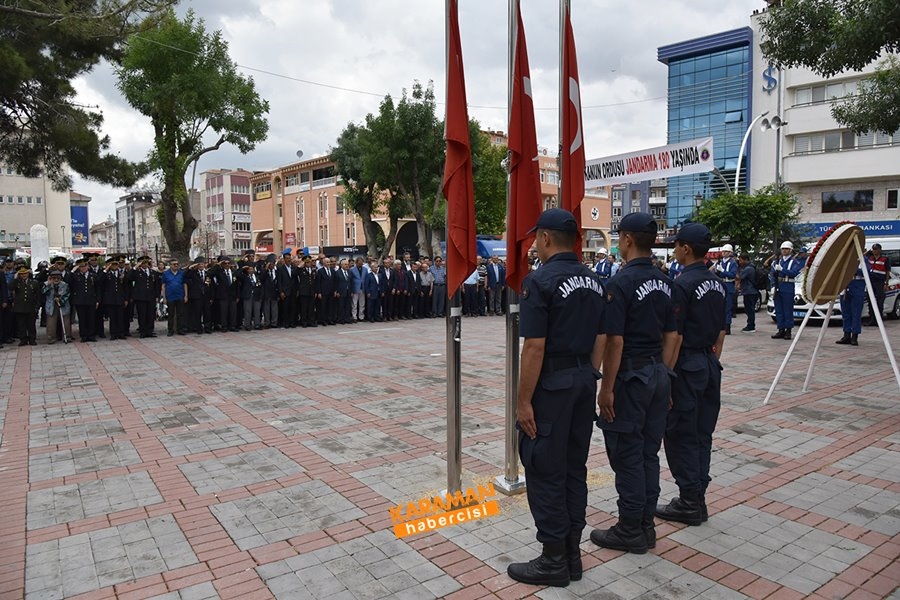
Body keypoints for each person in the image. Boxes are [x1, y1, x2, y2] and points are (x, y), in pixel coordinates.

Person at [506, 208, 605, 588]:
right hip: (583, 380)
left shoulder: (540, 281)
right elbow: (601, 336)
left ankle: (553, 560)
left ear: (546, 239)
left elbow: (534, 346)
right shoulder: (595, 280)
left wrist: (523, 402)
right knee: (573, 467)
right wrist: (588, 373)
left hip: (553, 386)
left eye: (535, 238)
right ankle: (572, 553)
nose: (532, 244)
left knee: (545, 468)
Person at [591, 211, 678, 555]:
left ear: (627, 240)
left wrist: (606, 387)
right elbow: (673, 336)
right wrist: (666, 375)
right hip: (657, 373)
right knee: (647, 454)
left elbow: (615, 341)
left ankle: (630, 528)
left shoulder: (620, 284)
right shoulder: (666, 282)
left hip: (631, 378)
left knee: (627, 455)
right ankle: (644, 524)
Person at [656, 223, 726, 527]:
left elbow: (676, 336)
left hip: (686, 366)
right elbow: (721, 333)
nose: (674, 250)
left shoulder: (682, 285)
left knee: (681, 433)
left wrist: (667, 377)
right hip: (709, 363)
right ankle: (697, 497)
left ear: (686, 248)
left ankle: (689, 500)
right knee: (701, 434)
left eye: (677, 245)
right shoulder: (717, 283)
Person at [771, 241, 803, 340]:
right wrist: (772, 285)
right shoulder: (776, 261)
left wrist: (782, 270)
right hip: (778, 286)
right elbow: (772, 274)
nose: (784, 251)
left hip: (788, 286)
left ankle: (788, 330)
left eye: (786, 249)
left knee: (787, 310)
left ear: (790, 250)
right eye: (783, 249)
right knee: (779, 309)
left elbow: (794, 273)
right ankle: (781, 329)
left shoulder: (794, 262)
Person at [836, 258, 867, 346]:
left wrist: (854, 269)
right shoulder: (845, 258)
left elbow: (868, 271)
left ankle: (854, 336)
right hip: (845, 285)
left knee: (856, 313)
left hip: (857, 285)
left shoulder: (862, 259)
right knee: (846, 313)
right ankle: (846, 334)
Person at [100, 258, 129, 340]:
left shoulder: (121, 274)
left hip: (120, 298)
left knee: (120, 317)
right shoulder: (107, 274)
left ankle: (121, 333)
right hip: (110, 299)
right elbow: (100, 280)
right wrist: (105, 270)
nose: (114, 266)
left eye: (116, 264)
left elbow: (125, 287)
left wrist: (126, 299)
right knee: (112, 318)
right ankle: (113, 333)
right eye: (113, 265)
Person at [11, 266, 41, 345]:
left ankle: (32, 339)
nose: (24, 275)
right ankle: (23, 339)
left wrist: (37, 306)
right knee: (21, 325)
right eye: (22, 274)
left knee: (31, 325)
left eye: (25, 273)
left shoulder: (34, 282)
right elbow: (10, 287)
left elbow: (38, 295)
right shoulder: (17, 282)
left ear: (28, 273)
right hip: (19, 308)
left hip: (31, 307)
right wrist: (15, 278)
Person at [42, 269, 71, 344]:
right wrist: (49, 285)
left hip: (63, 305)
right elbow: (43, 292)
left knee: (66, 322)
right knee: (51, 323)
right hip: (51, 306)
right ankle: (51, 338)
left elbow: (67, 294)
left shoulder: (65, 285)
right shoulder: (47, 284)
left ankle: (67, 337)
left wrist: (60, 300)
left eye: (58, 278)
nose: (56, 279)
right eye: (54, 278)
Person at [714, 244, 737, 335]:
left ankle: (727, 326)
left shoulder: (733, 263)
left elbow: (732, 275)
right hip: (721, 284)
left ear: (730, 253)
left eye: (726, 252)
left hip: (728, 284)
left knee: (727, 307)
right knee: (720, 307)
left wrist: (723, 271)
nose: (724, 253)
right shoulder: (720, 262)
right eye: (723, 251)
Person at [161, 259, 187, 336]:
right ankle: (170, 330)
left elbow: (185, 284)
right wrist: (164, 297)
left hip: (180, 295)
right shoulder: (166, 274)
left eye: (177, 264)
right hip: (170, 296)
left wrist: (186, 295)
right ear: (170, 265)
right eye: (174, 264)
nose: (176, 265)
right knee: (171, 314)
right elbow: (163, 286)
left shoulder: (182, 273)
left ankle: (180, 329)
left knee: (180, 314)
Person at [866, 243, 890, 325]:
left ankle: (879, 320)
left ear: (880, 250)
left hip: (879, 282)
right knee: (870, 301)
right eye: (873, 249)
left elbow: (887, 272)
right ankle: (872, 319)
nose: (874, 251)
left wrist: (886, 284)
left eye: (876, 249)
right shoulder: (870, 258)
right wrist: (868, 252)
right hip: (870, 282)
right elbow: (862, 256)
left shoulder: (885, 259)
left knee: (879, 302)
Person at [737, 253, 758, 332]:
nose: (740, 262)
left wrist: (737, 269)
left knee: (749, 309)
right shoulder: (751, 267)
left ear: (746, 260)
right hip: (750, 291)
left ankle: (751, 326)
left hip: (750, 291)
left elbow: (739, 277)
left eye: (741, 260)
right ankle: (750, 324)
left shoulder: (748, 268)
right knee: (749, 309)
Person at [349, 257, 368, 322]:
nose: (361, 264)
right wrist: (351, 290)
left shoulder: (365, 269)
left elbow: (366, 279)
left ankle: (361, 317)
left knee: (362, 303)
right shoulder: (352, 269)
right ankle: (354, 317)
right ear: (356, 263)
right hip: (355, 288)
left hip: (363, 288)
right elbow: (350, 280)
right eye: (359, 263)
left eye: (361, 263)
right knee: (354, 303)